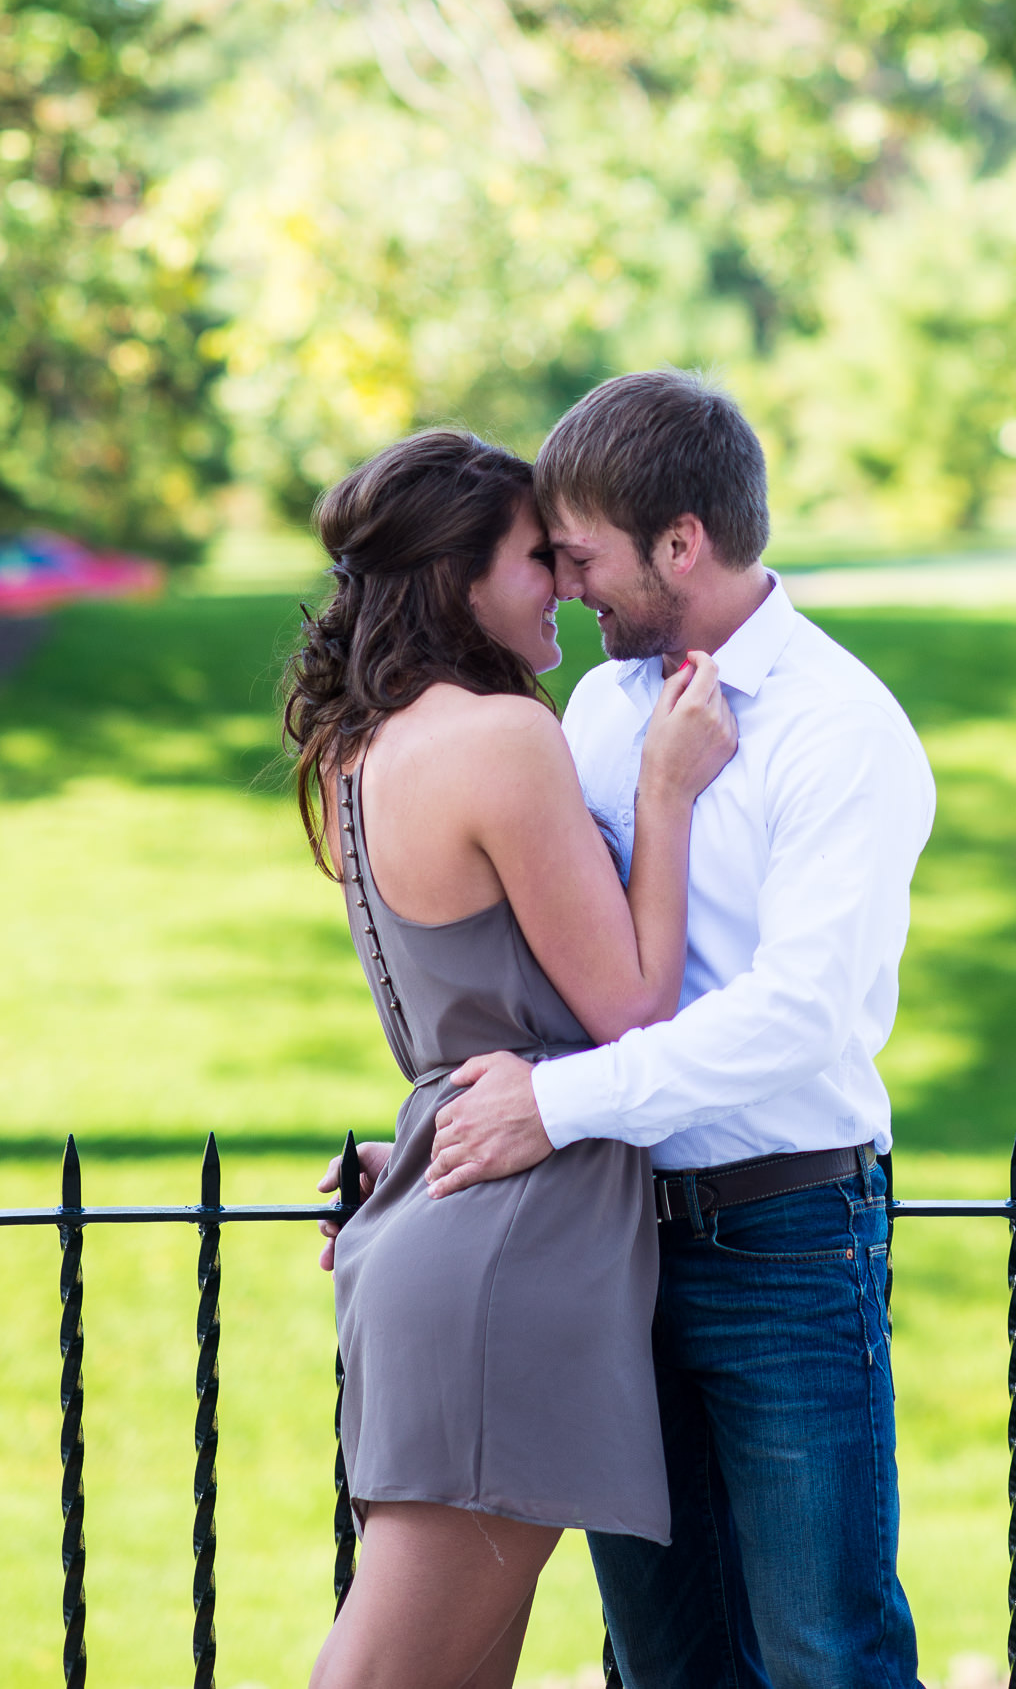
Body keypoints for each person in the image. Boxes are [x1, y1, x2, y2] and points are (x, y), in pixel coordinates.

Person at [424, 372, 937, 1689]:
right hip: (614, 1247)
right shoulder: (600, 712)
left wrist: (557, 1105)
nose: (565, 586)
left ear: (681, 543)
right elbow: (556, 985)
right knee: (663, 1658)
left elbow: (799, 1017)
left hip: (785, 1245)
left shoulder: (841, 730)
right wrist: (429, 1150)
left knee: (827, 1652)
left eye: (582, 555)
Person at [285, 427, 736, 1689]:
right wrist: (666, 793)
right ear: (455, 576)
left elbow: (460, 1028)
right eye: (538, 557)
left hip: (452, 1225)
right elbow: (633, 1011)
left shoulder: (364, 747)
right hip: (515, 1261)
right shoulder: (497, 736)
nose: (568, 580)